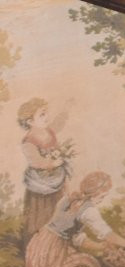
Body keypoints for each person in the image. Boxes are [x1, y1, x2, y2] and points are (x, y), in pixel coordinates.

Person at [18, 98, 70, 242]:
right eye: (42, 114)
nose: (46, 117)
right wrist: (52, 163)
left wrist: (65, 110)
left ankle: (60, 239)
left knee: (59, 207)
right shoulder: (28, 141)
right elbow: (36, 162)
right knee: (43, 212)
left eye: (46, 113)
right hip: (40, 184)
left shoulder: (48, 131)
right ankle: (40, 242)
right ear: (30, 121)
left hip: (56, 179)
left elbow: (58, 124)